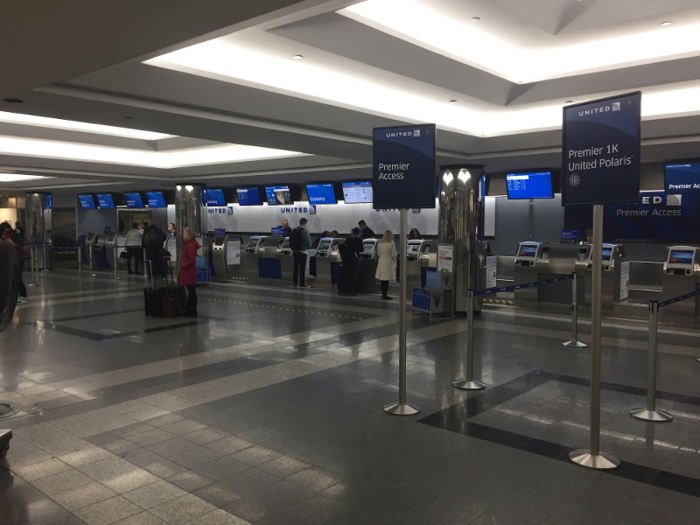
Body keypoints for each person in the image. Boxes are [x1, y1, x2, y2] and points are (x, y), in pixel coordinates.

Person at [0, 222, 28, 304]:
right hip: (6, 260)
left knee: (17, 279)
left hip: (15, 260)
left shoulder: (14, 235)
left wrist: (10, 242)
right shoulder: (3, 236)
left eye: (6, 231)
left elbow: (19, 245)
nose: (5, 232)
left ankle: (23, 296)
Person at [179, 227, 200, 318]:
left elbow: (191, 259)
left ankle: (192, 311)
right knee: (191, 291)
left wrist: (183, 265)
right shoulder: (189, 245)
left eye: (185, 234)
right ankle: (191, 310)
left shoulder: (190, 246)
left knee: (191, 291)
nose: (183, 235)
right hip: (188, 271)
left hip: (188, 271)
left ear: (190, 235)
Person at [290, 218, 312, 288]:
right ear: (304, 223)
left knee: (295, 267)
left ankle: (294, 282)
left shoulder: (295, 230)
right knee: (302, 268)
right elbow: (308, 242)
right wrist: (306, 247)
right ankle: (302, 283)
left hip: (295, 251)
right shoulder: (305, 231)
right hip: (302, 252)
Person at [376, 230, 397, 300]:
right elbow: (394, 254)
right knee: (386, 279)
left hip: (381, 261)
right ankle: (385, 295)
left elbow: (378, 253)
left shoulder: (380, 243)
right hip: (388, 262)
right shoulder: (391, 243)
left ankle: (383, 294)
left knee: (383, 279)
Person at [343, 227, 364, 296]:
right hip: (355, 259)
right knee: (355, 275)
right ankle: (354, 290)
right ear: (358, 233)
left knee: (349, 274)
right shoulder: (358, 240)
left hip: (348, 259)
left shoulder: (348, 239)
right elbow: (361, 249)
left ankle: (348, 289)